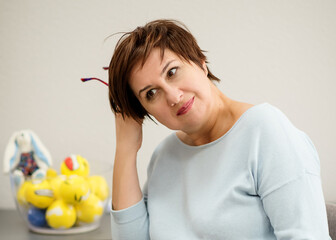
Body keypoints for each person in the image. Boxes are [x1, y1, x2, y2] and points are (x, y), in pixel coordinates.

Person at [107, 19, 331, 239]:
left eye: (172, 72)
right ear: (144, 111)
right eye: (151, 94)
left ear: (200, 62)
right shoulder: (164, 157)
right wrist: (125, 150)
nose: (173, 97)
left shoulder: (265, 130)